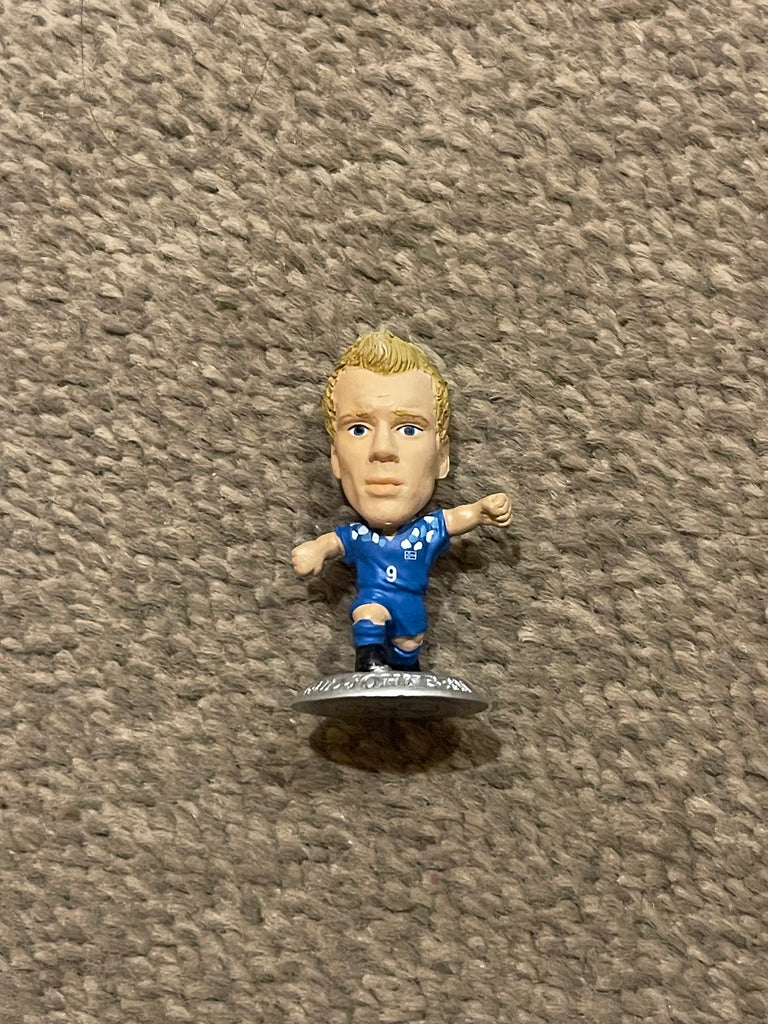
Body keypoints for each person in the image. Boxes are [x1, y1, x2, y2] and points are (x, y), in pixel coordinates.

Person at [291, 329, 512, 672]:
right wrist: (316, 549)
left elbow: (455, 519)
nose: (382, 449)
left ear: (441, 457)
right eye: (359, 429)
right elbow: (333, 542)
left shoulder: (425, 532)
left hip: (411, 607)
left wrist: (480, 511)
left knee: (410, 644)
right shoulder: (360, 537)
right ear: (335, 456)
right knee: (369, 612)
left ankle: (405, 668)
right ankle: (369, 659)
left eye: (409, 428)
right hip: (374, 599)